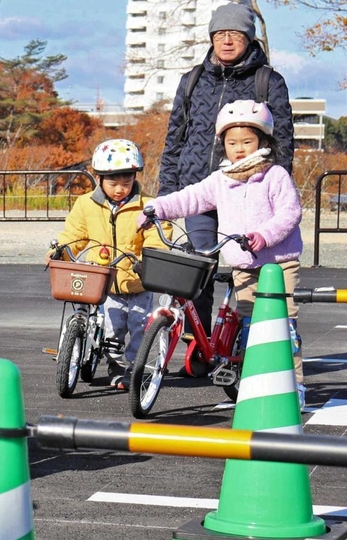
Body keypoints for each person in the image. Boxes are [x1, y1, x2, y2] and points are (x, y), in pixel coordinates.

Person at [142, 100, 305, 409]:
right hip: (244, 265)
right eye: (232, 143)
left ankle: (294, 385)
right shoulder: (222, 179)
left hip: (280, 264)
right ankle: (253, 381)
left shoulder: (274, 176)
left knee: (286, 328)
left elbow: (289, 213)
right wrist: (156, 208)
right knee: (248, 328)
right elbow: (190, 198)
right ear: (223, 145)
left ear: (263, 141)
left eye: (247, 141)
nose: (239, 149)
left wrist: (264, 235)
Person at [158, 1, 293, 338]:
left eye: (235, 34)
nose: (227, 41)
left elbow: (284, 142)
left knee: (249, 273)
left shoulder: (268, 81)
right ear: (211, 39)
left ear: (249, 39)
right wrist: (166, 194)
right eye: (220, 35)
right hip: (200, 192)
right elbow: (174, 138)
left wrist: (276, 190)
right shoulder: (193, 79)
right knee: (197, 269)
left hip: (250, 194)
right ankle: (198, 346)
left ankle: (250, 342)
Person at [48, 139, 171, 390]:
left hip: (137, 280)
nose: (119, 189)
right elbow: (75, 235)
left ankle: (135, 368)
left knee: (138, 327)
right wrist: (59, 250)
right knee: (112, 330)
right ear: (99, 178)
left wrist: (151, 258)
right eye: (113, 183)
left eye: (126, 183)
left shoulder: (147, 207)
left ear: (135, 178)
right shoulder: (86, 204)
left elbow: (158, 236)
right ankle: (114, 365)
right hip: (102, 281)